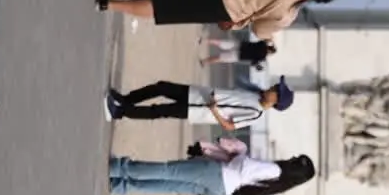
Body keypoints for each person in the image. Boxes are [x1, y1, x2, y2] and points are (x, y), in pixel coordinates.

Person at [94, 0, 340, 42]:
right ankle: (109, 4)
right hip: (226, 9)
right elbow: (260, 31)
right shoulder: (290, 12)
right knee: (164, 8)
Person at [108, 147, 314, 195]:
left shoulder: (274, 170)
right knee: (169, 185)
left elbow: (243, 166)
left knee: (168, 170)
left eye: (296, 160)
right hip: (222, 190)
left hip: (219, 174)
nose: (292, 158)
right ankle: (121, 186)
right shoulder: (279, 184)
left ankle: (119, 167)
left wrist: (239, 154)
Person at [104, 78, 293, 131]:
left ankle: (120, 112)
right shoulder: (256, 93)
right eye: (276, 85)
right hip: (197, 93)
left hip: (198, 110)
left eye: (276, 89)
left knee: (159, 110)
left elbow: (229, 126)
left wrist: (214, 111)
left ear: (276, 101)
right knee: (161, 87)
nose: (273, 87)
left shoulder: (256, 113)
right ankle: (126, 99)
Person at [202, 38, 276, 70]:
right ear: (270, 52)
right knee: (220, 58)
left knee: (221, 43)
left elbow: (263, 39)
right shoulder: (263, 57)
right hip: (239, 55)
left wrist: (270, 41)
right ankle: (204, 61)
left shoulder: (263, 44)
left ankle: (205, 41)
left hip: (241, 45)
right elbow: (254, 63)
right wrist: (258, 67)